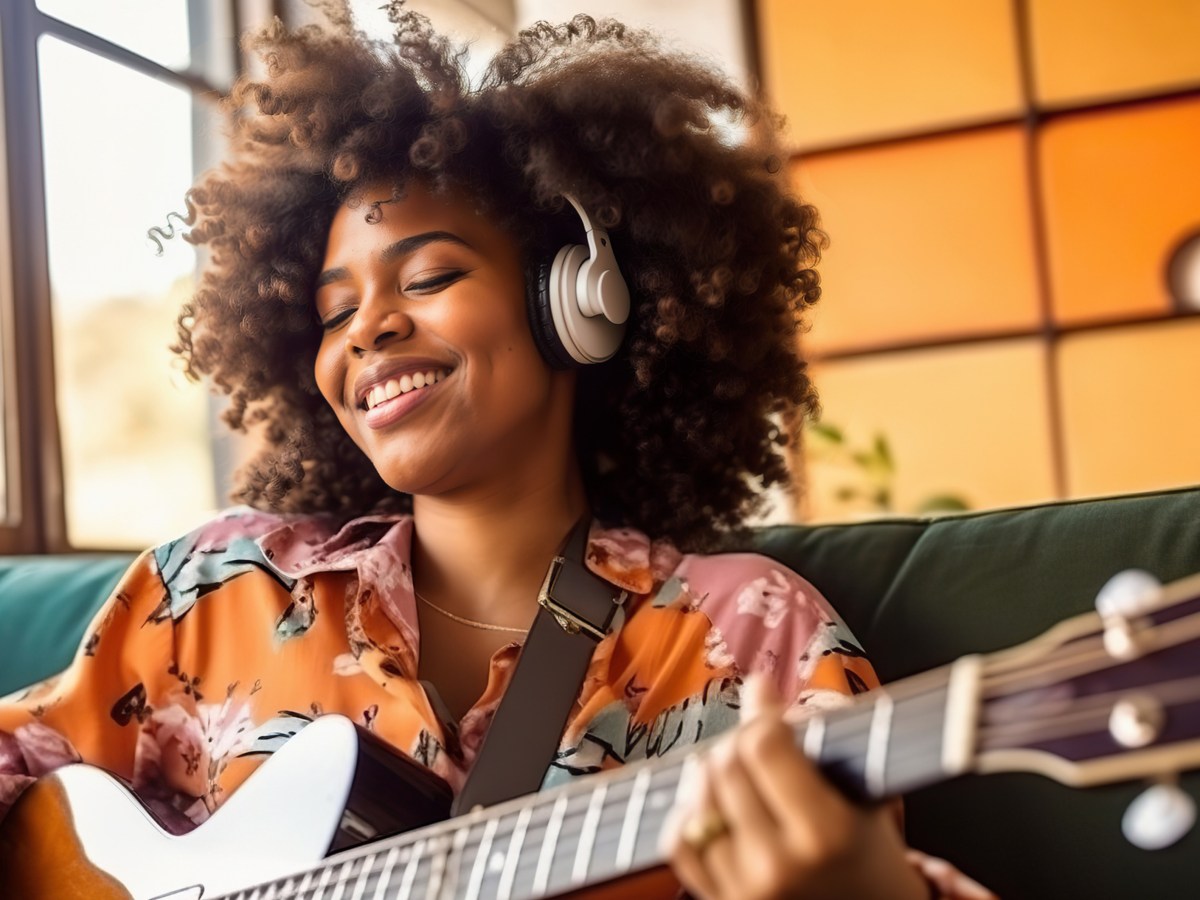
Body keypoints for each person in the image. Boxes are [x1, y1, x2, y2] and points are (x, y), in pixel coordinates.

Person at [0, 6, 993, 898]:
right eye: (334, 309)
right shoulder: (218, 588)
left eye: (428, 276)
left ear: (578, 302)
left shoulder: (744, 635)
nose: (368, 329)